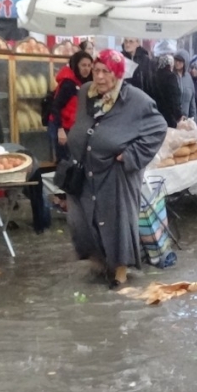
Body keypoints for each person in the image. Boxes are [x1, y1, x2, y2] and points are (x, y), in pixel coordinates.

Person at [65, 49, 168, 288]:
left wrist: (132, 155)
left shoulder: (135, 99)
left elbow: (158, 128)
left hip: (116, 172)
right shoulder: (85, 93)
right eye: (96, 70)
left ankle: (120, 273)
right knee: (83, 220)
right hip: (85, 168)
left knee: (116, 220)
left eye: (105, 72)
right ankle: (100, 262)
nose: (99, 77)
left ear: (118, 74)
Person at [0, 144, 51, 235]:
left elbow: (38, 196)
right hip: (6, 167)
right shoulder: (2, 161)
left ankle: (43, 224)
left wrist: (40, 226)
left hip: (27, 172)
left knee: (40, 195)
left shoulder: (34, 167)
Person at [49, 51, 93, 161]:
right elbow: (55, 107)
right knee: (65, 162)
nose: (86, 69)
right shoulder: (69, 84)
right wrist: (60, 130)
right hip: (61, 127)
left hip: (73, 127)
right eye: (83, 65)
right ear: (76, 65)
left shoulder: (85, 82)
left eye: (89, 65)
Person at [152, 54, 183, 127]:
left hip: (156, 114)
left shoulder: (154, 76)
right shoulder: (171, 77)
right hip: (169, 115)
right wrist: (179, 115)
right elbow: (174, 97)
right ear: (170, 64)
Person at [174, 50, 197, 121]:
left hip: (186, 120)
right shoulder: (171, 76)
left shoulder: (188, 78)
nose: (177, 63)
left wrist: (194, 121)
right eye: (176, 60)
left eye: (180, 61)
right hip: (173, 120)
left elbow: (192, 102)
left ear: (185, 62)